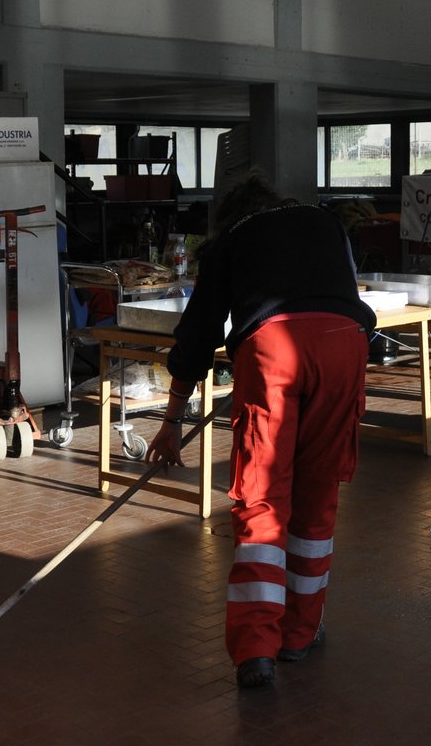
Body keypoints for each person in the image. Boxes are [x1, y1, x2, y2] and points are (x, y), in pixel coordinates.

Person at [146, 174, 375, 689]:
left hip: (272, 347)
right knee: (318, 496)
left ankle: (256, 648)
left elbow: (199, 331)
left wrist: (173, 416)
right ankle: (299, 633)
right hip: (346, 343)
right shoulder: (326, 223)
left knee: (263, 500)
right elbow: (335, 290)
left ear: (229, 215)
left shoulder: (229, 240)